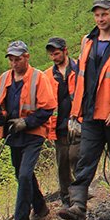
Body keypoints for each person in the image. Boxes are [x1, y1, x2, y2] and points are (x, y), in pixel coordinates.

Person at [57, 0, 110, 220]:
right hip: (91, 114)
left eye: (104, 15)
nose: (100, 19)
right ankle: (78, 206)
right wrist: (75, 114)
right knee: (86, 158)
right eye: (97, 15)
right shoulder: (87, 41)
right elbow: (81, 79)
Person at [0, 40, 57, 220]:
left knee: (25, 174)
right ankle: (41, 207)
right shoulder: (4, 79)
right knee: (21, 174)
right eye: (11, 59)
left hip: (34, 133)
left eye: (17, 59)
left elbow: (47, 109)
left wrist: (27, 122)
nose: (14, 63)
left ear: (26, 57)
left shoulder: (39, 78)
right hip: (13, 134)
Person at [45, 36, 81, 208]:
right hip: (58, 126)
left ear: (65, 50)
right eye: (51, 54)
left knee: (76, 157)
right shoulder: (47, 76)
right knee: (62, 163)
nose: (54, 57)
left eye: (57, 53)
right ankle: (66, 198)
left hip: (78, 122)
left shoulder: (79, 69)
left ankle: (79, 195)